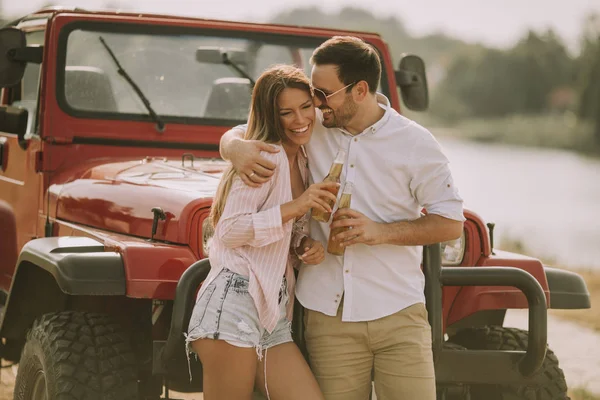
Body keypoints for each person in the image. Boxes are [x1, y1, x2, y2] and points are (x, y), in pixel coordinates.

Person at [219, 36, 465, 400]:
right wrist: (233, 147)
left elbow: (450, 222)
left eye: (323, 93)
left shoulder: (416, 143)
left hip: (398, 313)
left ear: (360, 90)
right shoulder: (313, 123)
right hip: (327, 316)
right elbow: (254, 128)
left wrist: (379, 232)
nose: (314, 103)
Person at [186, 65, 335, 400]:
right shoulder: (265, 156)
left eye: (305, 107)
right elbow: (229, 230)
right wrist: (298, 207)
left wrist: (303, 245)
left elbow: (278, 230)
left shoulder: (302, 160)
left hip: (272, 309)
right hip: (233, 301)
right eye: (287, 112)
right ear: (271, 115)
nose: (300, 119)